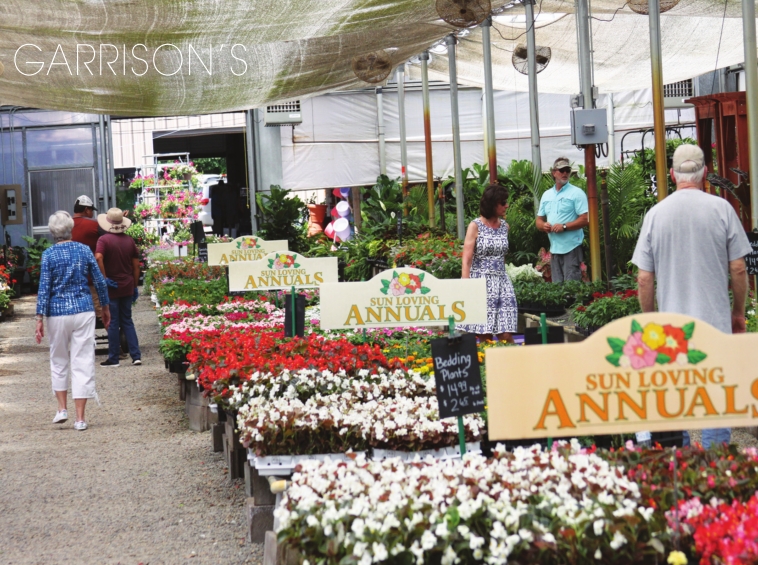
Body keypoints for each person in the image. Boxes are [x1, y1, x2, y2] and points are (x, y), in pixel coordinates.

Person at [631, 144, 752, 449]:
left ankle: (680, 458)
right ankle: (716, 460)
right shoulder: (722, 210)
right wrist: (738, 313)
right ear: (705, 174)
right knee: (716, 394)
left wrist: (649, 321)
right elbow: (739, 269)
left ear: (672, 175)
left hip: (671, 329)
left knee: (675, 395)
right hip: (715, 323)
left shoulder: (655, 215)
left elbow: (644, 277)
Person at [35, 211, 111, 431]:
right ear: (71, 229)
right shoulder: (84, 250)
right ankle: (80, 418)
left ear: (52, 232)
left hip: (57, 313)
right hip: (83, 310)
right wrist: (105, 307)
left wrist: (39, 318)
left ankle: (62, 409)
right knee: (83, 360)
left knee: (58, 359)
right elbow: (99, 281)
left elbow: (44, 288)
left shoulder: (48, 255)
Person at [459, 184, 517, 343]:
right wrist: (466, 284)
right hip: (480, 282)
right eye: (502, 203)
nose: (506, 205)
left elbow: (502, 255)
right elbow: (466, 259)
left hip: (502, 281)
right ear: (492, 204)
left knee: (506, 333)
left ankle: (514, 358)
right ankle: (486, 358)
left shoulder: (505, 227)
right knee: (484, 334)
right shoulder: (475, 226)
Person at [95, 208, 142, 367]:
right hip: (127, 285)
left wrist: (104, 278)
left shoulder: (103, 240)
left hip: (112, 287)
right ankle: (136, 356)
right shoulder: (129, 241)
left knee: (113, 322)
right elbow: (136, 266)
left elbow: (98, 257)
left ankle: (114, 358)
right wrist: (134, 286)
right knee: (127, 320)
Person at [536, 157, 589, 282]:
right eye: (561, 170)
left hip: (572, 247)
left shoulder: (577, 193)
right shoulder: (546, 195)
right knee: (557, 288)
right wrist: (543, 226)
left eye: (567, 170)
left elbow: (585, 219)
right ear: (554, 173)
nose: (565, 173)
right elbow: (538, 221)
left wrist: (564, 227)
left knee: (571, 288)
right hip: (554, 249)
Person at [71, 195, 103, 321]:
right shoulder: (95, 225)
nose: (92, 213)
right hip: (91, 275)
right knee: (99, 312)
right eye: (91, 210)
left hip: (71, 276)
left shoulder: (66, 226)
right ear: (86, 209)